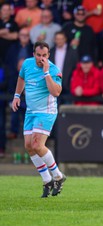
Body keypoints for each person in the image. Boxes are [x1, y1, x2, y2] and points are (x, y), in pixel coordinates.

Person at [11, 41, 66, 198]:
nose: (41, 58)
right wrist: (16, 95)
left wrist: (46, 73)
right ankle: (47, 180)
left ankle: (58, 176)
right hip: (31, 111)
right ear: (33, 54)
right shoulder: (27, 64)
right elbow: (21, 78)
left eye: (44, 55)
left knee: (37, 145)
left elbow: (56, 92)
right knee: (29, 146)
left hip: (46, 112)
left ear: (48, 55)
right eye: (38, 55)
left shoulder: (54, 69)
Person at [49, 31, 79, 100]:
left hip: (68, 85)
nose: (59, 41)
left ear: (65, 39)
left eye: (61, 39)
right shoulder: (50, 52)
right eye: (57, 39)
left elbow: (75, 67)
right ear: (54, 40)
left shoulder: (72, 51)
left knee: (68, 108)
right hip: (54, 85)